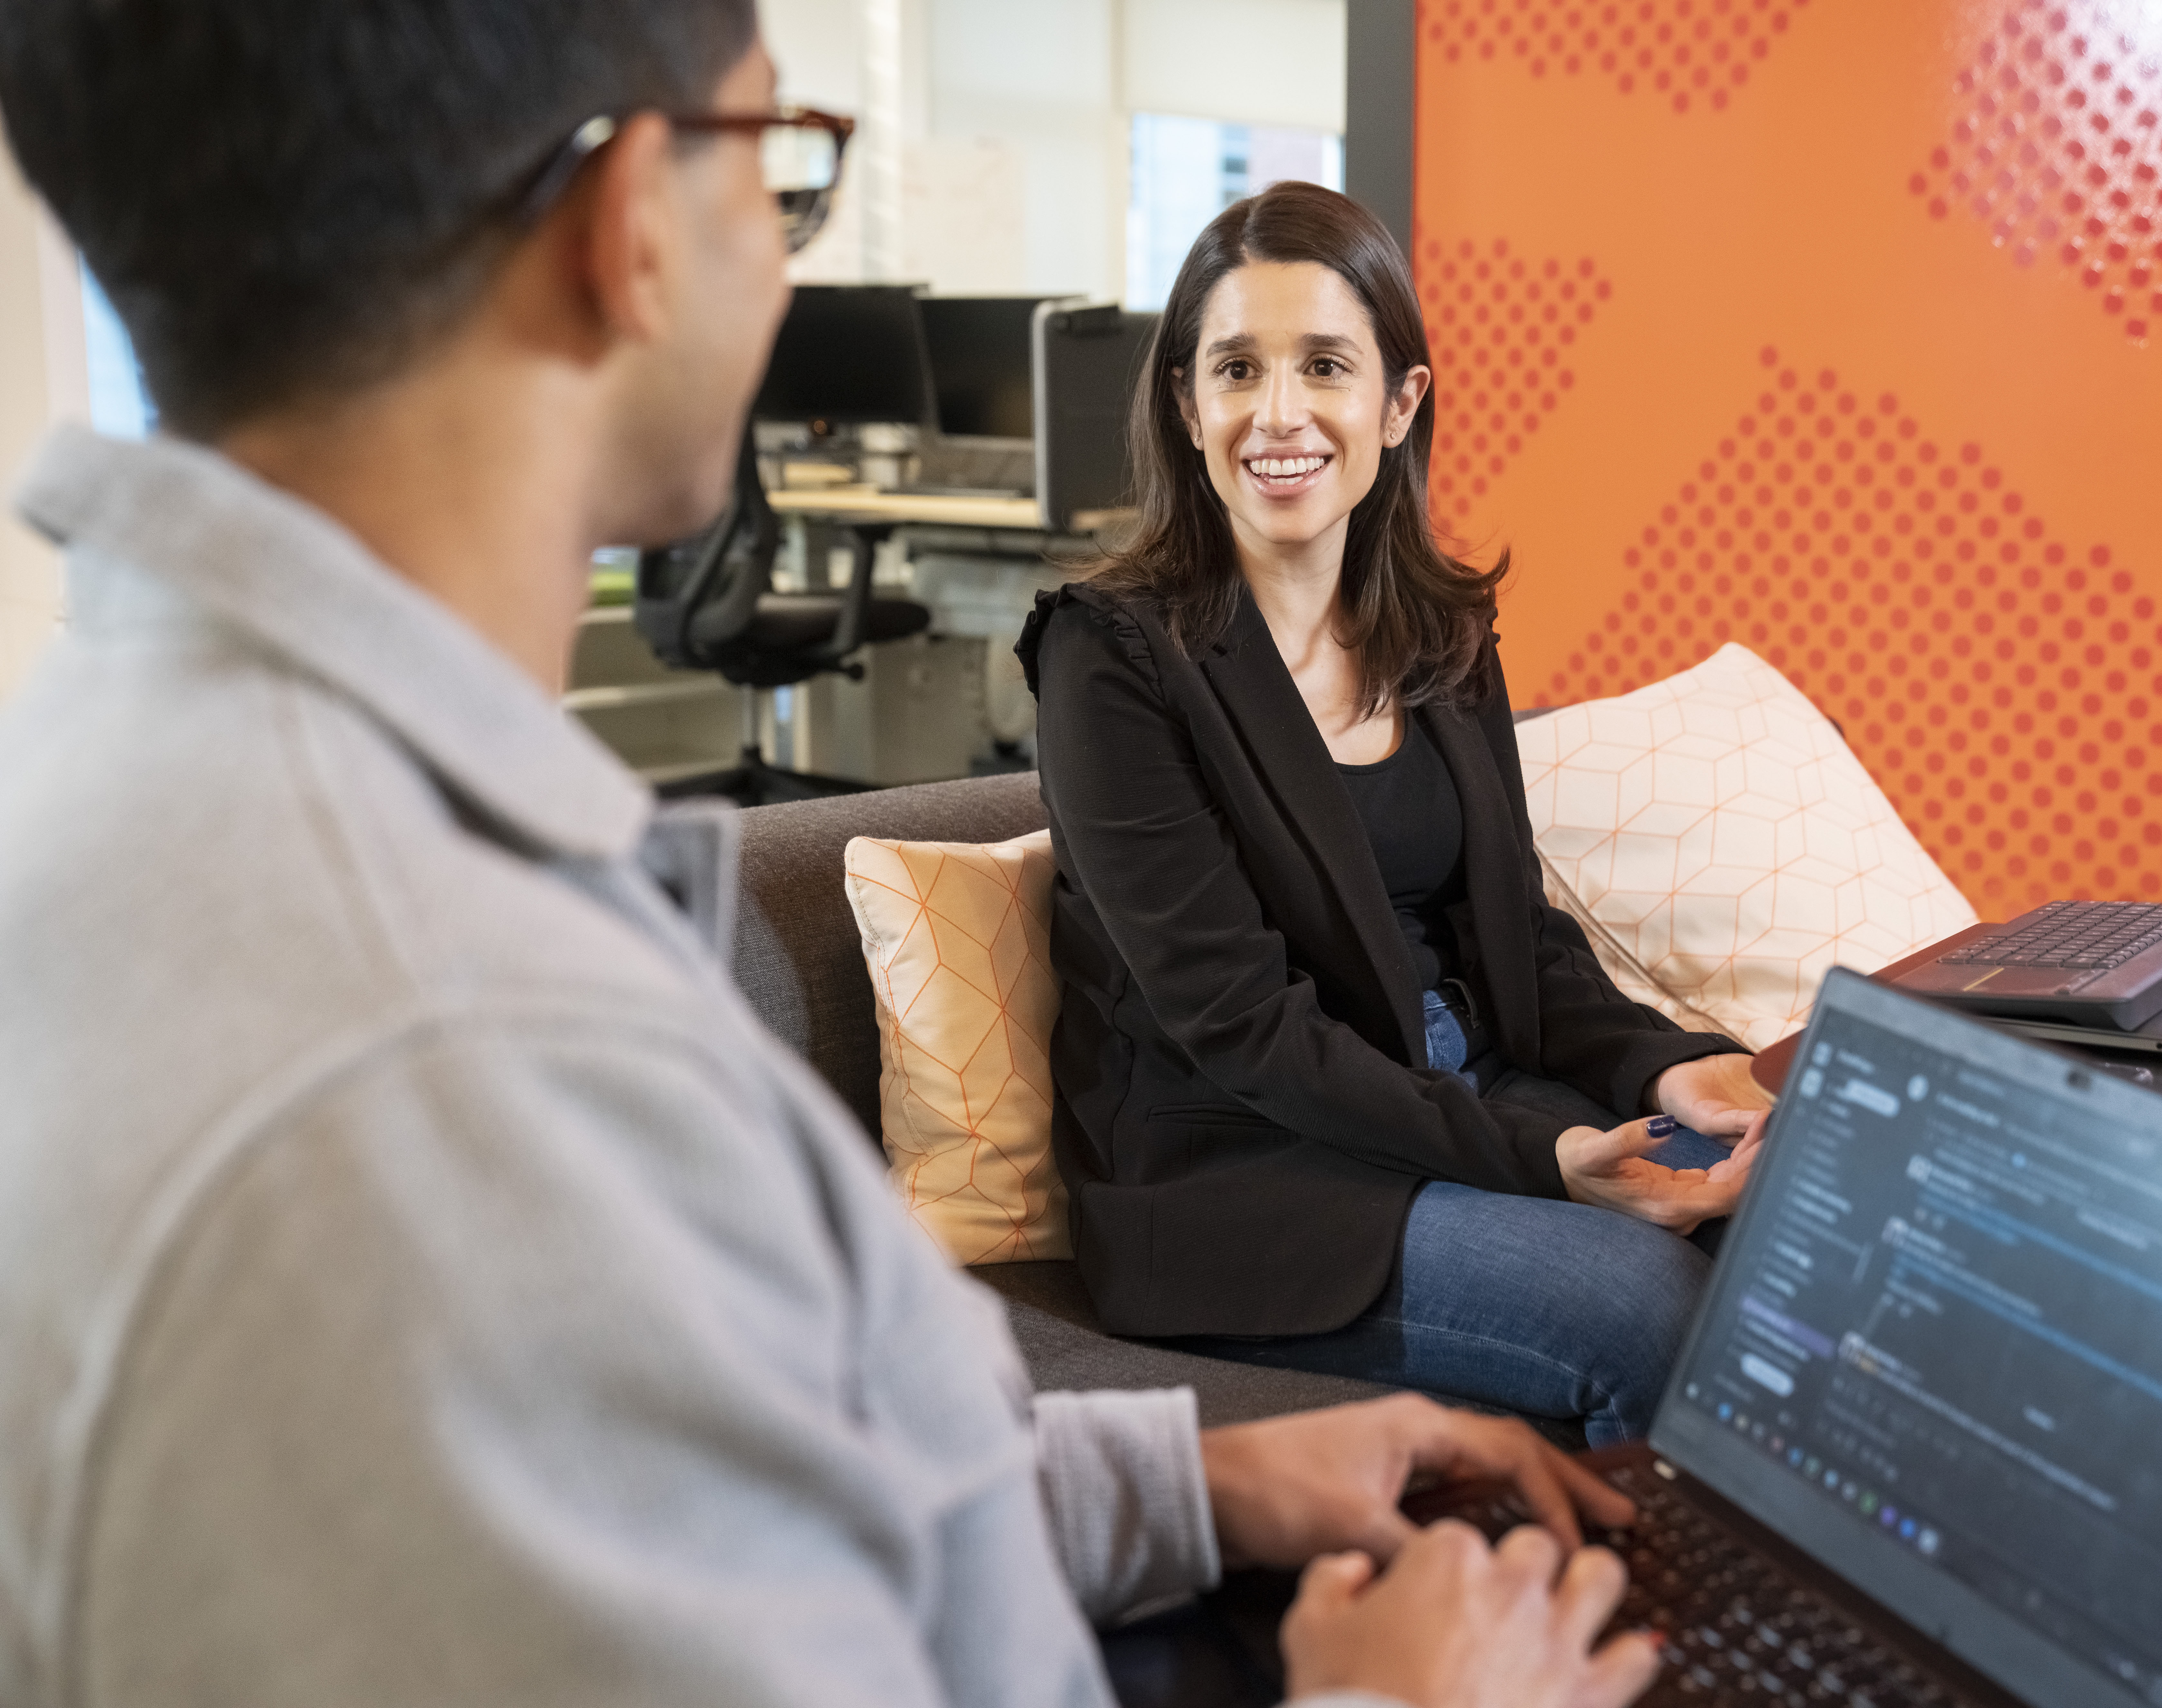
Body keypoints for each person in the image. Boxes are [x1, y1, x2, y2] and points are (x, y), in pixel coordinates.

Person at [0, 5, 1664, 1705]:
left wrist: (1173, 1486)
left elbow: (737, 1483)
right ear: (632, 223)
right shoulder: (449, 1048)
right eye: (785, 164)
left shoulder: (179, 806)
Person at [1019, 184, 1775, 1449]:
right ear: (1182, 404)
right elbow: (1242, 1031)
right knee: (1647, 1309)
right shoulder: (1111, 660)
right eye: (1234, 369)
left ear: (1398, 403)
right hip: (1247, 1168)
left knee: (1803, 1221)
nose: (1277, 413)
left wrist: (1662, 1063)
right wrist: (1544, 1161)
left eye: (1324, 364)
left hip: (1464, 1090)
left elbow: (1519, 939)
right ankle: (1677, 1642)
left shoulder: (1441, 634)